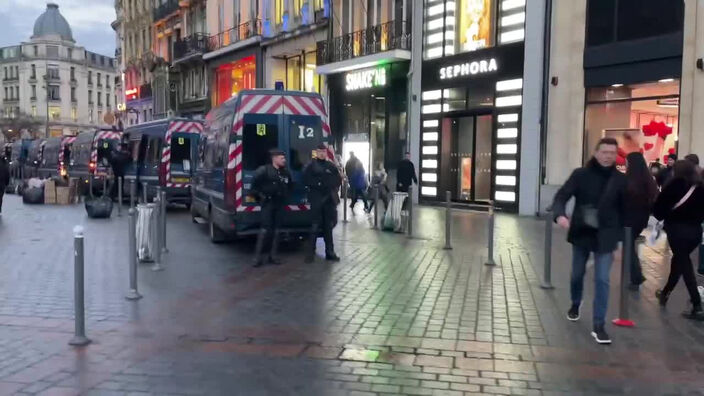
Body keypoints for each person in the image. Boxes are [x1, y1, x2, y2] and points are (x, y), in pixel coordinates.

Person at [552, 137, 626, 345]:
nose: (608, 156)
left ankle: (599, 325)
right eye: (604, 152)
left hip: (606, 236)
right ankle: (576, 302)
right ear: (596, 153)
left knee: (602, 279)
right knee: (577, 274)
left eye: (612, 153)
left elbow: (623, 212)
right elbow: (562, 196)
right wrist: (560, 215)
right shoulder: (581, 175)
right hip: (582, 233)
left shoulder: (620, 180)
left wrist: (619, 242)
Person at [653, 160, 704, 320]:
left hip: (677, 231)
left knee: (684, 264)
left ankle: (697, 305)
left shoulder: (673, 185)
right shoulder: (701, 187)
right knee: (680, 261)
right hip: (695, 232)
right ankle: (665, 293)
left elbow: (658, 209)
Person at [250, 148, 292, 268]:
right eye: (281, 158)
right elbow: (253, 188)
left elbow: (290, 186)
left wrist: (285, 197)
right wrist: (261, 197)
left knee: (277, 230)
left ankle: (273, 256)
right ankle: (257, 258)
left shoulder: (286, 172)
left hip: (279, 204)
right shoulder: (264, 170)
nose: (284, 160)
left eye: (284, 158)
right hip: (268, 204)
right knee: (264, 230)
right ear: (274, 158)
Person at [623, 152, 658, 290]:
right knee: (630, 245)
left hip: (629, 219)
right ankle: (635, 277)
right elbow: (654, 198)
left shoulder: (629, 180)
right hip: (641, 219)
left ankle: (636, 277)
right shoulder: (648, 180)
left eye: (626, 161)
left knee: (628, 247)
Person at [304, 144, 342, 262]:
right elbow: (307, 180)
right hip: (316, 199)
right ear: (316, 152)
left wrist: (331, 185)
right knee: (314, 226)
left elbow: (338, 179)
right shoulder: (310, 166)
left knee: (328, 227)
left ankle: (330, 252)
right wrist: (320, 184)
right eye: (320, 151)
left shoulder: (331, 166)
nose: (322, 153)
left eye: (324, 151)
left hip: (328, 200)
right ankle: (310, 254)